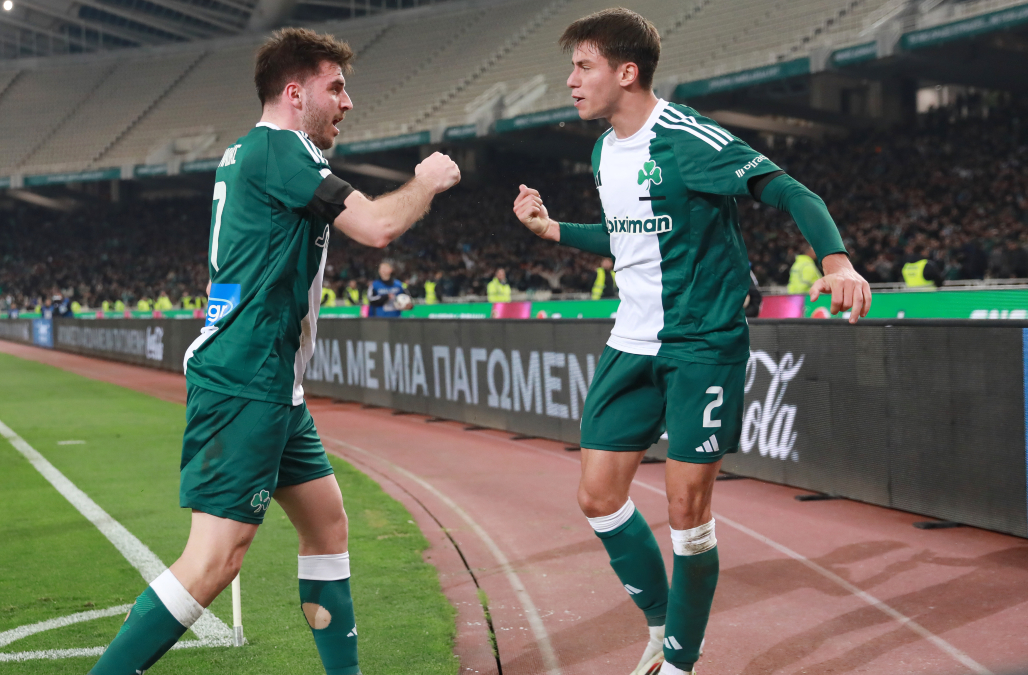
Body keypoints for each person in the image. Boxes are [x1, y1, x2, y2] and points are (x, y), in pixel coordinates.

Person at [88, 27, 460, 675]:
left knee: (327, 525)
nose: (347, 102)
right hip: (245, 378)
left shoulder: (251, 151)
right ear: (294, 93)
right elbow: (377, 226)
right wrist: (425, 181)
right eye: (335, 87)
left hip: (273, 384)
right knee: (215, 559)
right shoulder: (282, 148)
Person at [512, 10, 870, 675]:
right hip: (630, 342)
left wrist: (838, 263)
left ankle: (680, 663)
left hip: (701, 343)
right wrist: (551, 229)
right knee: (597, 497)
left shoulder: (686, 136)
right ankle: (661, 626)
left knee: (686, 511)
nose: (570, 81)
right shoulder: (602, 151)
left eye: (583, 67)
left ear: (627, 72)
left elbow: (792, 191)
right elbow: (626, 235)